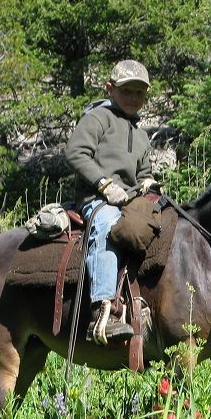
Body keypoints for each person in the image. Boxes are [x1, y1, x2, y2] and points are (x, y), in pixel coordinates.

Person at [65, 59, 159, 344]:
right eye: (126, 90)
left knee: (158, 225)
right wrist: (104, 184)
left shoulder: (141, 135)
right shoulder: (97, 118)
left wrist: (148, 183)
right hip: (96, 200)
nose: (133, 98)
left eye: (139, 93)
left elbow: (143, 172)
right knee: (107, 224)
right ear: (110, 89)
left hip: (129, 201)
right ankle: (103, 312)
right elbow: (76, 153)